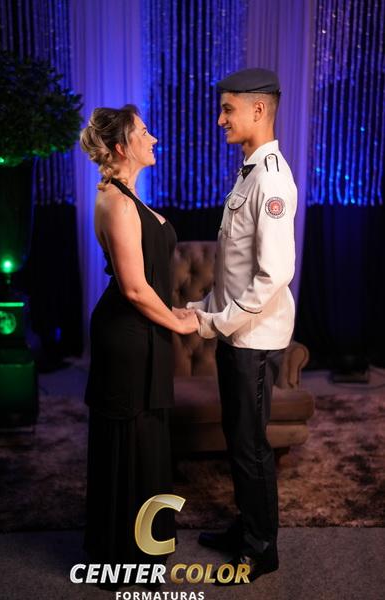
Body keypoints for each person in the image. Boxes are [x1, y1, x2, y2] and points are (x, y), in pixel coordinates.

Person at [80, 104, 198, 590]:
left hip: (142, 332)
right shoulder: (115, 201)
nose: (154, 139)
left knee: (147, 441)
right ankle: (122, 557)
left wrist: (175, 316)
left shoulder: (128, 196)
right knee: (131, 440)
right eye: (144, 132)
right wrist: (178, 323)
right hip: (127, 335)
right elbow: (132, 288)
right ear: (121, 146)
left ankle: (142, 551)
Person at [187, 68, 297, 585]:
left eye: (228, 109)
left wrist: (217, 323)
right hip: (238, 330)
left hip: (253, 337)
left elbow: (274, 274)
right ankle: (246, 526)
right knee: (238, 437)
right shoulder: (250, 172)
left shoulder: (271, 179)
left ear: (258, 110)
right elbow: (233, 268)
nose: (220, 119)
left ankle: (261, 549)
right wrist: (201, 308)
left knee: (251, 445)